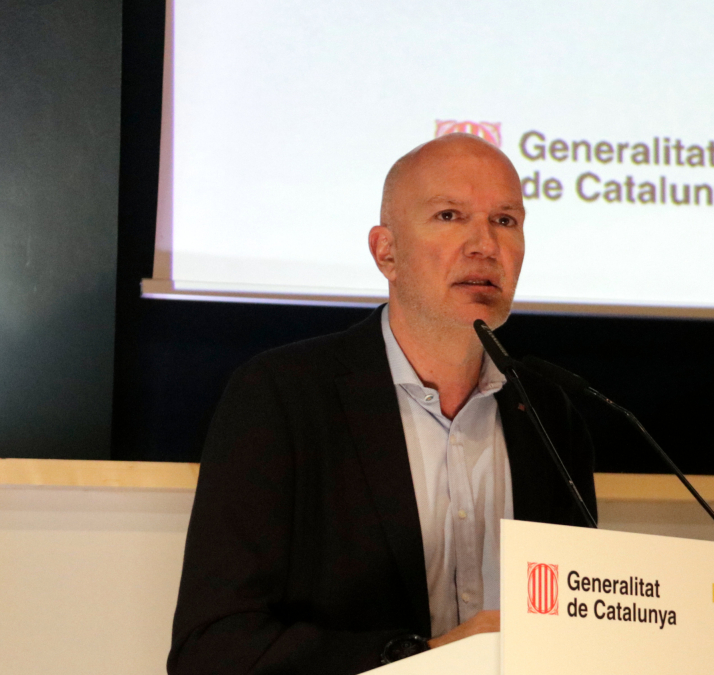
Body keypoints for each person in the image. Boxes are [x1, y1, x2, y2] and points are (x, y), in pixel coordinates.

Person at [168, 133, 596, 674]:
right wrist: (425, 659)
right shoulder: (282, 397)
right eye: (449, 216)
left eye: (506, 221)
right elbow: (210, 650)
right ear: (385, 251)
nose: (485, 245)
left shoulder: (552, 414)